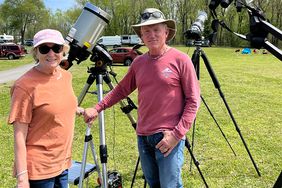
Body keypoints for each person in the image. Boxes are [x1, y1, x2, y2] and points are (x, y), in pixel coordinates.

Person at [83, 8, 201, 188]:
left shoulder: (181, 60)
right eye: (146, 31)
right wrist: (97, 108)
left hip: (168, 136)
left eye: (156, 30)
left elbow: (193, 101)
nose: (151, 35)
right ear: (141, 36)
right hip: (143, 136)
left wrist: (177, 135)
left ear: (166, 32)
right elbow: (121, 90)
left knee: (170, 185)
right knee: (153, 184)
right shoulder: (138, 63)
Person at [8, 29, 82, 188]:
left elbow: (62, 103)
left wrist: (79, 110)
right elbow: (19, 136)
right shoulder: (24, 86)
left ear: (63, 50)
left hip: (63, 162)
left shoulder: (65, 76)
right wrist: (22, 178)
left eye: (56, 48)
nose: (51, 53)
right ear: (36, 52)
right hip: (40, 169)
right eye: (44, 48)